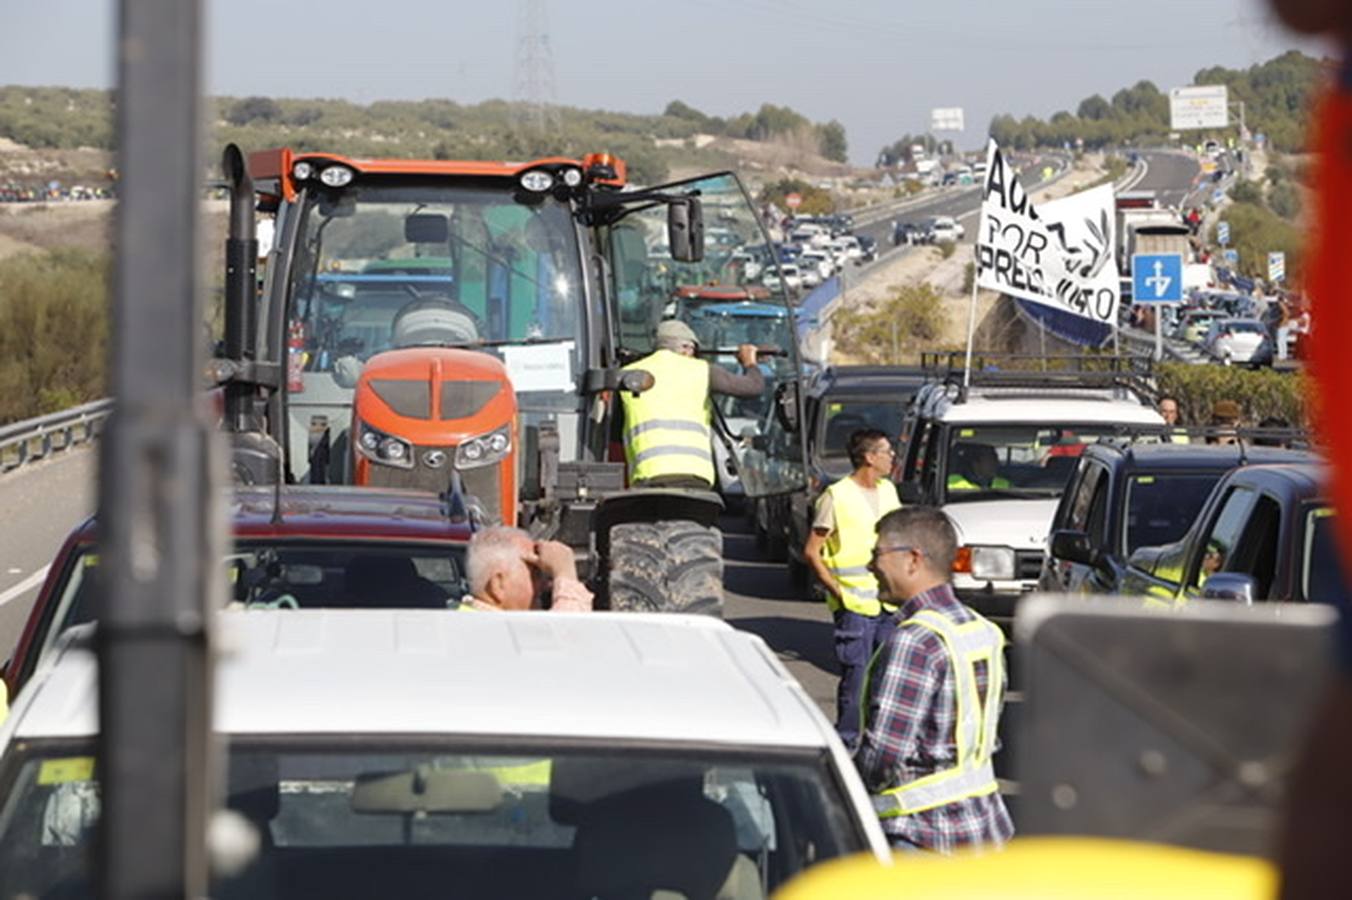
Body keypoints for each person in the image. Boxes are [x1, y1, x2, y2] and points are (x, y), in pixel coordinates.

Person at [855, 506, 1014, 854]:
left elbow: (884, 753)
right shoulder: (981, 630)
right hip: (983, 829)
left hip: (922, 836)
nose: (870, 565)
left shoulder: (915, 640)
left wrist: (845, 788)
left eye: (877, 554)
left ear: (913, 559)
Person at [804, 428, 902, 749]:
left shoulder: (889, 491)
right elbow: (812, 551)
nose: (892, 458)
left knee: (886, 679)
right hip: (855, 607)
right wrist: (838, 592)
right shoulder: (837, 496)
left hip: (888, 604)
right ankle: (847, 744)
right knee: (857, 679)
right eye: (887, 452)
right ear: (869, 457)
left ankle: (878, 741)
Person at [620, 319, 764, 489]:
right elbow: (753, 387)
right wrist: (750, 363)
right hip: (694, 476)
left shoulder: (628, 375)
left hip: (646, 475)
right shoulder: (702, 370)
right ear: (687, 349)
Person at [463, 526, 593, 611]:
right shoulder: (487, 628)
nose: (546, 584)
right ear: (498, 585)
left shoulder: (463, 621)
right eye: (535, 572)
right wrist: (565, 574)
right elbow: (568, 638)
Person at [946, 443, 1011, 491]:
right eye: (990, 460)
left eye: (996, 459)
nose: (996, 463)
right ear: (975, 463)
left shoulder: (1004, 483)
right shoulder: (954, 483)